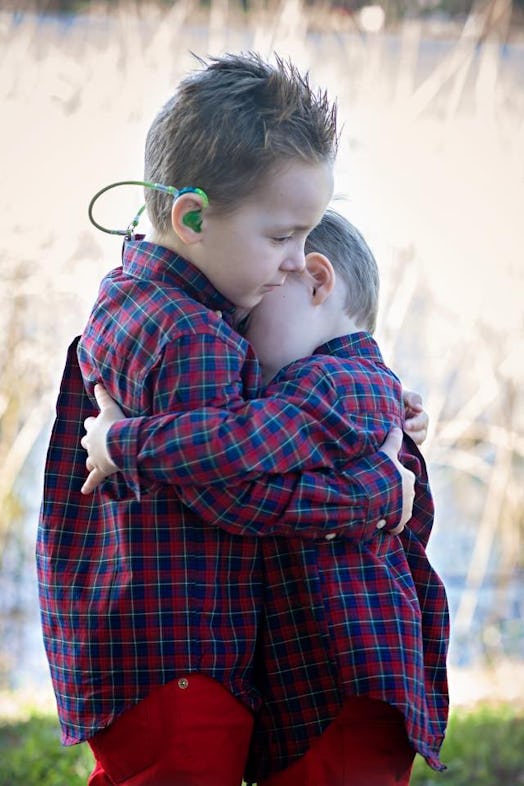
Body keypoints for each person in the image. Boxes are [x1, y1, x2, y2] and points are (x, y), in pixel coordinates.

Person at [36, 52, 420, 786]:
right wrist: (378, 490)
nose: (296, 263)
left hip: (125, 637)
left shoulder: (129, 290)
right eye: (282, 236)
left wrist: (383, 410)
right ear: (191, 216)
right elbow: (236, 490)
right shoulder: (194, 338)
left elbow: (269, 426)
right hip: (183, 650)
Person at [80, 210, 449, 786]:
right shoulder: (353, 384)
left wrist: (118, 441)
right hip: (332, 675)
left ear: (318, 282)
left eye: (252, 314)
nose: (239, 334)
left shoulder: (331, 384)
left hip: (347, 674)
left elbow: (234, 448)